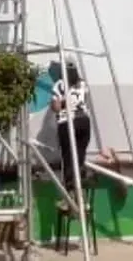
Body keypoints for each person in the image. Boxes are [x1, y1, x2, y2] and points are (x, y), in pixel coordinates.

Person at [51, 60, 92, 201]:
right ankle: (81, 187)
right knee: (80, 154)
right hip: (84, 121)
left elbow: (56, 107)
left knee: (68, 157)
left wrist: (63, 102)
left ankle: (70, 192)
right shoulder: (83, 84)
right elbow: (85, 101)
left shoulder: (60, 84)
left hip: (67, 122)